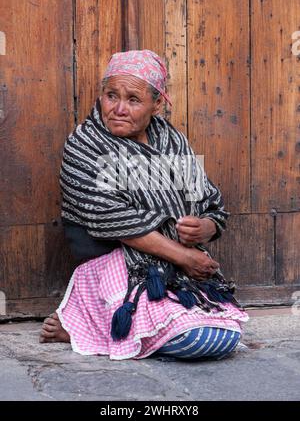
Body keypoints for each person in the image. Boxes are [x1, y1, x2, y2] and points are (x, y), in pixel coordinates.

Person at [40, 49, 249, 360]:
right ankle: (97, 325)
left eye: (133, 100)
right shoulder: (85, 145)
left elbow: (211, 204)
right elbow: (113, 219)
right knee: (202, 340)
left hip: (176, 271)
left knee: (229, 334)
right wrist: (183, 255)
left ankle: (94, 329)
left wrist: (202, 228)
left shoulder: (172, 141)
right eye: (111, 95)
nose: (119, 109)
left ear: (157, 104)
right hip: (121, 267)